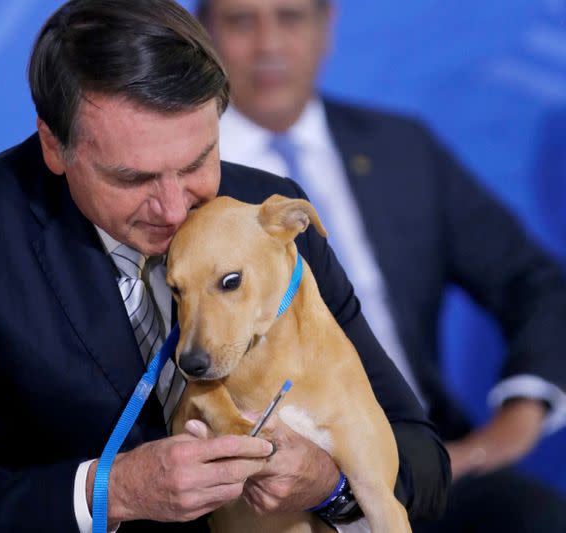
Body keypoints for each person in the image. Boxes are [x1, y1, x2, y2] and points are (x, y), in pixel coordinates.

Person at [0, 0, 449, 531]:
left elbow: (420, 457)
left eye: (197, 161)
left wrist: (329, 485)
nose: (174, 209)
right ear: (53, 145)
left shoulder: (265, 218)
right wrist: (111, 491)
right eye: (132, 178)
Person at [197, 0, 566, 530]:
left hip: (424, 465)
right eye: (240, 21)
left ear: (327, 27)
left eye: (291, 17)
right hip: (273, 489)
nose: (269, 45)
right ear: (203, 36)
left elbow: (532, 281)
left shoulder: (400, 150)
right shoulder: (187, 186)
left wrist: (521, 414)